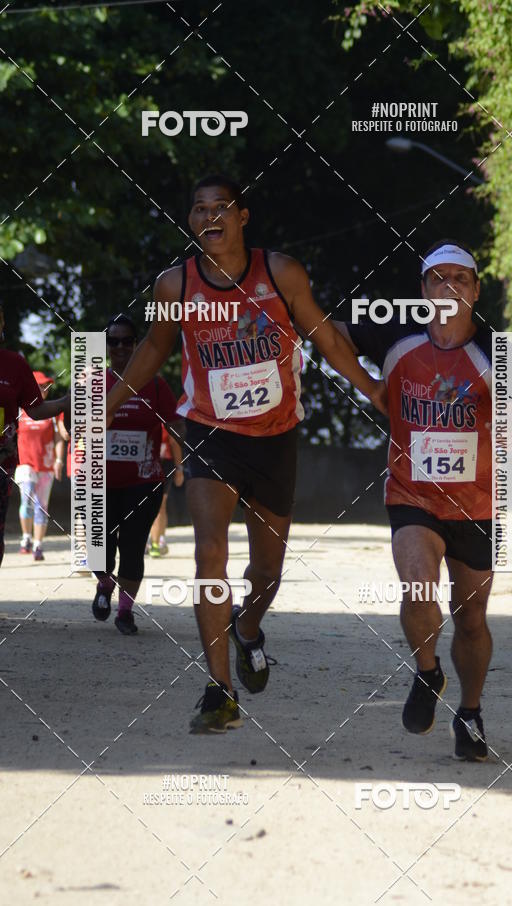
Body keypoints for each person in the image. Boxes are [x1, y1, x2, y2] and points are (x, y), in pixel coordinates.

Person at [105, 173, 387, 732]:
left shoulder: (279, 273)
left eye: (221, 208)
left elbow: (326, 337)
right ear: (191, 221)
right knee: (209, 553)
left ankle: (249, 628)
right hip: (210, 430)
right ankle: (219, 689)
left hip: (276, 436)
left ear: (241, 217)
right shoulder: (174, 286)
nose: (210, 217)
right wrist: (106, 405)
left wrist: (371, 387)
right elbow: (155, 350)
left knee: (267, 572)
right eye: (199, 209)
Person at [334, 240, 512, 761]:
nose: (448, 286)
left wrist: (495, 415)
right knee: (417, 585)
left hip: (478, 505)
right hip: (413, 496)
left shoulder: (499, 352)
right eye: (436, 278)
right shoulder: (396, 336)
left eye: (459, 278)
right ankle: (427, 672)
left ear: (475, 289)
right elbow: (327, 331)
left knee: (471, 619)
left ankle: (469, 712)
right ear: (422, 289)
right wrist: (371, 385)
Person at [90, 314, 183, 634]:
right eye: (113, 341)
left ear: (136, 344)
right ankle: (105, 584)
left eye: (127, 341)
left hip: (144, 483)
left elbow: (175, 426)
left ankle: (125, 611)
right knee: (97, 549)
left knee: (133, 546)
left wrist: (185, 463)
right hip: (100, 482)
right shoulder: (93, 382)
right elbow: (70, 424)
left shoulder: (155, 384)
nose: (120, 347)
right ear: (105, 346)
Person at [0, 303, 70, 567]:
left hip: (3, 462)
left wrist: (64, 402)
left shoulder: (14, 365)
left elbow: (36, 409)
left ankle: (32, 541)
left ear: (2, 326)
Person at [15, 371, 65, 561]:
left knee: (41, 505)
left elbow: (59, 438)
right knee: (27, 498)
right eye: (40, 386)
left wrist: (59, 460)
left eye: (46, 386)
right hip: (24, 464)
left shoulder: (52, 412)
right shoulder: (20, 410)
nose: (44, 389)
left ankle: (38, 545)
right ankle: (26, 537)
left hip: (46, 465)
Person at [148, 423, 184, 557]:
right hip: (157, 462)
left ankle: (156, 541)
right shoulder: (163, 420)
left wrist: (179, 469)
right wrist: (179, 469)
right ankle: (156, 542)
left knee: (157, 504)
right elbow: (174, 442)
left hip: (158, 463)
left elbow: (174, 442)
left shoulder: (164, 421)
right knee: (159, 505)